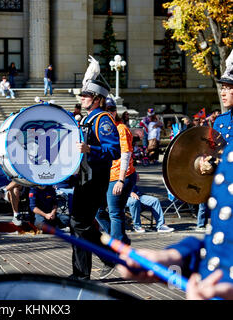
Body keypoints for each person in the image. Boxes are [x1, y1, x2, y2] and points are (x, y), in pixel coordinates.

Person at [117, 50, 233, 300]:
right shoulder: (224, 126)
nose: (224, 92)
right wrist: (175, 258)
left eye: (229, 87)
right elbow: (225, 239)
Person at [69, 56, 120, 281]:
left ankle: (106, 257)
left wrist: (91, 149)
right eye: (82, 94)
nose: (82, 98)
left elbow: (114, 151)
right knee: (77, 224)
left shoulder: (103, 120)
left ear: (97, 99)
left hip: (96, 179)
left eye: (86, 95)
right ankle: (82, 272)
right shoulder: (87, 119)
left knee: (78, 223)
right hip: (83, 178)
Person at [95, 98, 136, 257]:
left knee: (115, 212)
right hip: (107, 175)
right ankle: (120, 239)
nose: (110, 112)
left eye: (112, 109)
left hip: (120, 175)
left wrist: (121, 179)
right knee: (98, 210)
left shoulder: (121, 128)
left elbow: (126, 153)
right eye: (106, 109)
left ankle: (116, 248)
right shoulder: (106, 128)